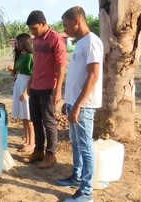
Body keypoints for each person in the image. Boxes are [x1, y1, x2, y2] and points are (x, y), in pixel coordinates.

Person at [56, 6, 103, 202]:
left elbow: (93, 77)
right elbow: (77, 77)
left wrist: (77, 105)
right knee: (75, 143)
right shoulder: (80, 43)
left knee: (85, 146)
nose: (65, 30)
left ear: (76, 20)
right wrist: (68, 102)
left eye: (66, 25)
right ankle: (76, 176)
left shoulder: (92, 42)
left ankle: (86, 191)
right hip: (74, 104)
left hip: (83, 106)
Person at [23, 10, 67, 168]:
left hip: (49, 87)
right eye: (31, 30)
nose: (32, 32)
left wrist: (59, 89)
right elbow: (36, 64)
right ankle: (38, 150)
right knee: (36, 120)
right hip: (35, 86)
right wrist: (29, 85)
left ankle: (51, 154)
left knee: (49, 121)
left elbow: (61, 65)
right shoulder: (37, 40)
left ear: (43, 23)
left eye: (34, 28)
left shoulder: (55, 39)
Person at [7, 33, 35, 152]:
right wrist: (12, 71)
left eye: (17, 42)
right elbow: (17, 74)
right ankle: (27, 140)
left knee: (28, 116)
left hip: (25, 86)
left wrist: (25, 91)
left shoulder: (30, 56)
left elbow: (31, 75)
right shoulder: (20, 56)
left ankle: (32, 143)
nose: (16, 45)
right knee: (23, 116)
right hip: (19, 83)